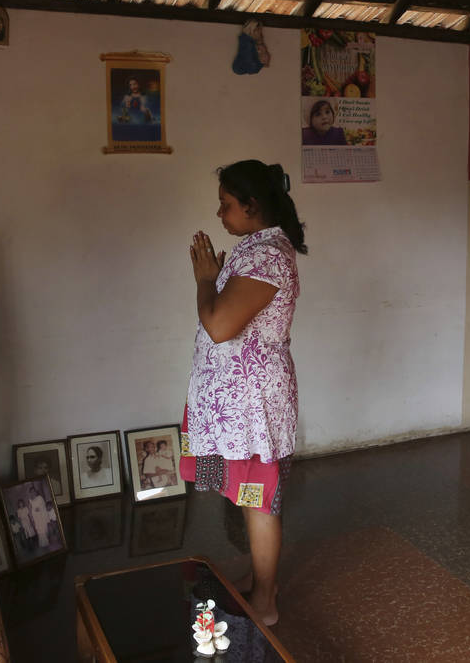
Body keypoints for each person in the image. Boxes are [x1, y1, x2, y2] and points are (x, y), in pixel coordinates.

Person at [181, 159, 306, 627]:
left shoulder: (267, 255)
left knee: (259, 499)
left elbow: (218, 325)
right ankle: (259, 582)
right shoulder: (255, 250)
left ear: (253, 205)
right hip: (235, 400)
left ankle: (267, 602)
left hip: (250, 404)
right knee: (248, 495)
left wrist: (204, 279)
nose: (220, 213)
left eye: (227, 204)